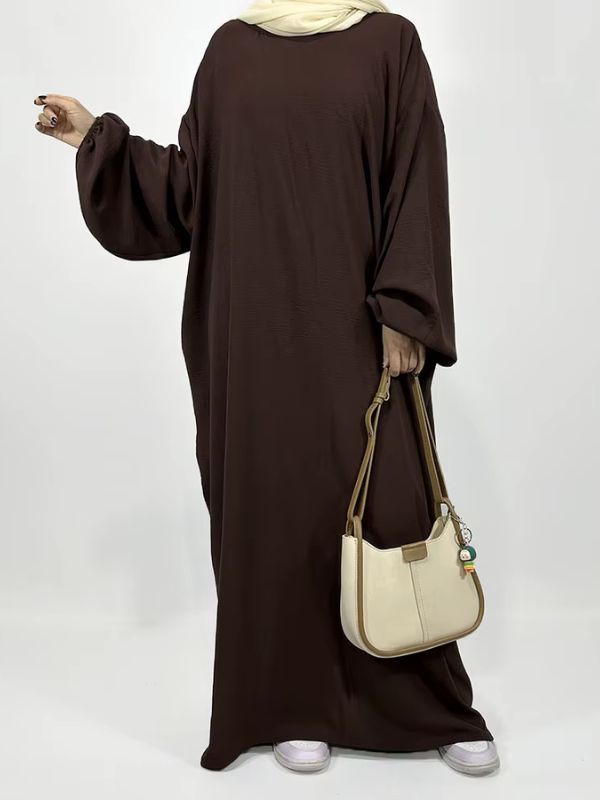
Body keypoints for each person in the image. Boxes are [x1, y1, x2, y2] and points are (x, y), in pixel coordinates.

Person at [33, 0, 500, 777]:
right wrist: (95, 139)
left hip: (362, 327)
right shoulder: (232, 50)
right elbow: (191, 187)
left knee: (391, 505)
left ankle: (429, 707)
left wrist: (405, 308)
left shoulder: (390, 43)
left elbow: (415, 175)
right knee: (277, 512)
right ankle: (293, 704)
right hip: (255, 336)